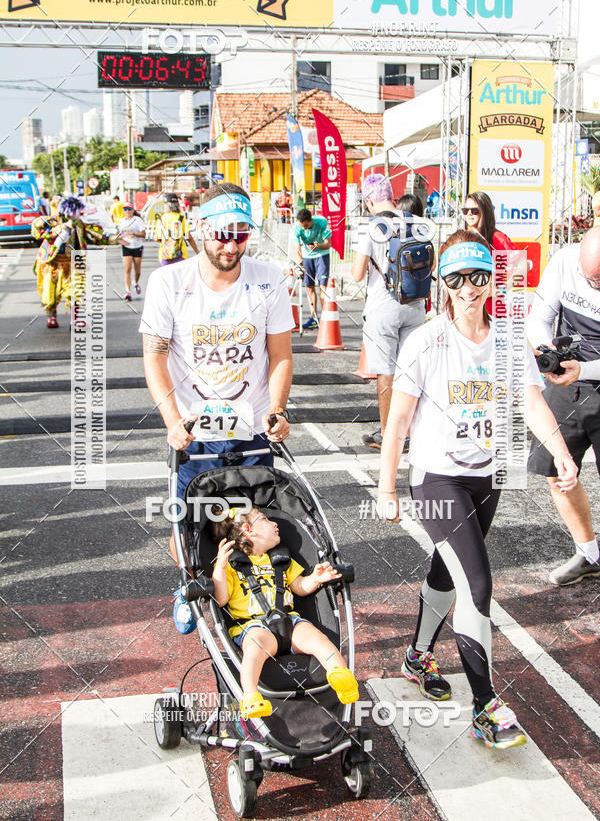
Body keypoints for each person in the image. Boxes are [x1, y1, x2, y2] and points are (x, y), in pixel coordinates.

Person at [378, 228, 578, 749]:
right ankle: (487, 705)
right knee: (478, 584)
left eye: (478, 277)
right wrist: (387, 488)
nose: (469, 288)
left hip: (484, 477)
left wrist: (559, 450)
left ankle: (418, 655)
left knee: (448, 569)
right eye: (458, 278)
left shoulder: (508, 339)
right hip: (437, 479)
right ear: (442, 283)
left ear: (492, 280)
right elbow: (397, 422)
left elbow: (532, 403)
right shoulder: (425, 341)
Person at [140, 182, 294, 632]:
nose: (230, 245)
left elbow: (281, 355)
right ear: (200, 228)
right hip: (194, 431)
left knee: (253, 522)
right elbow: (155, 356)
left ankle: (258, 602)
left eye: (240, 235)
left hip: (251, 426)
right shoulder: (169, 281)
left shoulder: (269, 279)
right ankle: (187, 583)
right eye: (221, 234)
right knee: (186, 524)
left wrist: (279, 411)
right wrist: (172, 422)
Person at [212, 506, 359, 719]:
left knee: (318, 639)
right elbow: (221, 598)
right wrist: (219, 568)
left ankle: (340, 674)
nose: (275, 524)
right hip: (253, 625)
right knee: (254, 648)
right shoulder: (232, 566)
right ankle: (251, 695)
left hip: (289, 620)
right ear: (248, 529)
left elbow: (299, 586)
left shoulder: (281, 559)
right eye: (264, 519)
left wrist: (316, 579)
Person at [527, 226, 600, 585]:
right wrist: (548, 351)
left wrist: (584, 368)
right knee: (557, 473)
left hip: (589, 375)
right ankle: (589, 553)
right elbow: (538, 317)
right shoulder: (565, 259)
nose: (594, 286)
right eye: (591, 279)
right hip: (565, 385)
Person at [352, 174, 427, 450]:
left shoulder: (370, 227)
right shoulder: (418, 222)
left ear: (370, 200)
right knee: (411, 371)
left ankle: (389, 435)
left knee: (386, 372)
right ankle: (411, 430)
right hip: (415, 305)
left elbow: (358, 274)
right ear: (392, 196)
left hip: (382, 308)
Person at [31, 195, 117, 328]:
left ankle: (76, 319)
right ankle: (51, 315)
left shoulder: (79, 224)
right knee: (50, 294)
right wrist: (60, 228)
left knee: (76, 292)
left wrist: (116, 239)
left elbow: (96, 236)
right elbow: (37, 230)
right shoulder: (53, 221)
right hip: (52, 263)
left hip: (73, 262)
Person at [463, 191, 517, 318]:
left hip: (493, 311)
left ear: (485, 211)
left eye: (474, 210)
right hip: (469, 309)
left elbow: (521, 267)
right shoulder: (464, 237)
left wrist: (499, 290)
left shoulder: (498, 238)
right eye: (465, 210)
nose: (469, 214)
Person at [293, 208, 332, 330]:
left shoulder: (321, 222)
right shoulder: (297, 227)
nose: (304, 228)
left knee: (323, 286)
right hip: (307, 257)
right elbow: (297, 249)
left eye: (306, 226)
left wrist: (318, 246)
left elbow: (328, 243)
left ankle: (326, 317)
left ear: (311, 221)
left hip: (322, 255)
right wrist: (301, 264)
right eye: (302, 226)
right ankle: (314, 318)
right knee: (309, 287)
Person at [154, 197, 199, 265]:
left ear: (168, 205)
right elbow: (189, 237)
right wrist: (197, 252)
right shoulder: (181, 218)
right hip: (180, 255)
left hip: (165, 255)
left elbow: (157, 238)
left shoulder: (161, 219)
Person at [118, 202, 146, 301]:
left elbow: (144, 235)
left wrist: (133, 233)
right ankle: (128, 292)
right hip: (126, 247)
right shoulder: (121, 221)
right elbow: (118, 235)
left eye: (129, 209)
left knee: (137, 271)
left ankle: (136, 282)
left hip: (137, 246)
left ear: (133, 210)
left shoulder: (138, 220)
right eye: (125, 209)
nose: (127, 211)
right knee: (127, 270)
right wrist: (120, 239)